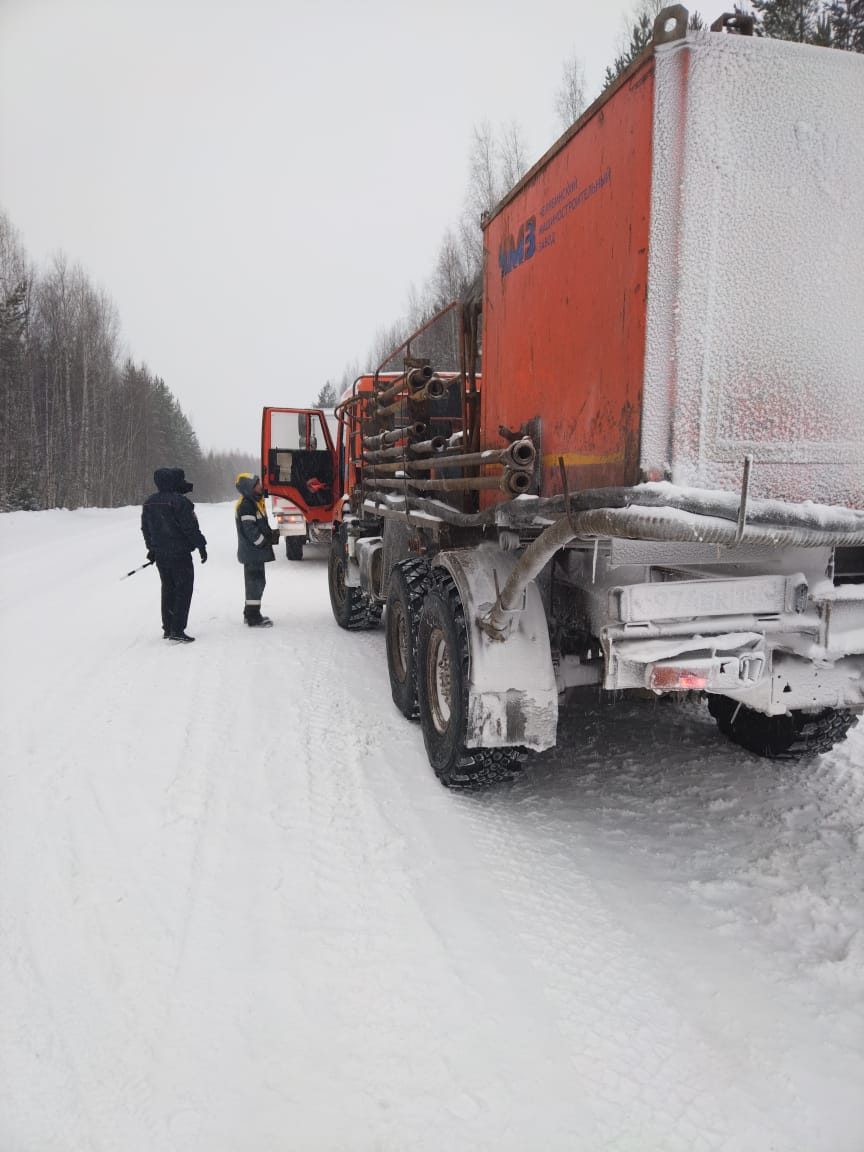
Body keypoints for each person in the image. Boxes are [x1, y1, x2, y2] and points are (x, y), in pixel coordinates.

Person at [141, 467, 207, 643]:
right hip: (179, 554)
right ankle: (177, 629)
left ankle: (168, 628)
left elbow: (146, 530)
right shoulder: (180, 502)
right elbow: (190, 528)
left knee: (168, 589)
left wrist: (152, 549)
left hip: (162, 554)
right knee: (183, 590)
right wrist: (201, 545)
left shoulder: (149, 502)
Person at [235, 472, 277, 627]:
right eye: (257, 484)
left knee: (257, 582)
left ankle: (250, 613)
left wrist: (269, 535)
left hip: (254, 552)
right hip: (253, 552)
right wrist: (263, 542)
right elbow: (250, 529)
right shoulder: (247, 505)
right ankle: (253, 617)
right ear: (249, 487)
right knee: (255, 583)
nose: (260, 486)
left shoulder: (252, 502)